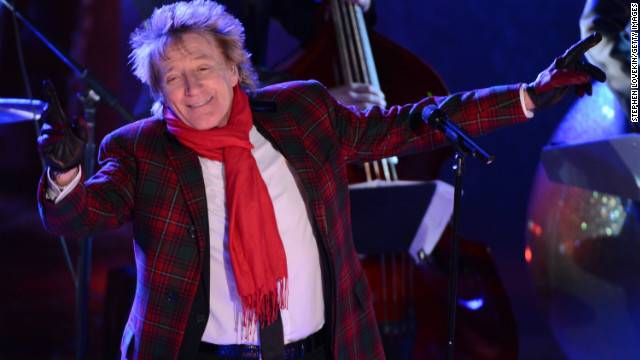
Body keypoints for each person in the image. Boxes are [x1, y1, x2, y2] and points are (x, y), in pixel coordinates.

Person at [36, 1, 605, 359]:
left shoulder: (302, 112)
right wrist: (63, 171)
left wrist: (527, 95)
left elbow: (411, 123)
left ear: (235, 70)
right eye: (173, 78)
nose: (190, 88)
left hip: (319, 346)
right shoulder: (139, 149)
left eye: (203, 69)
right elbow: (79, 216)